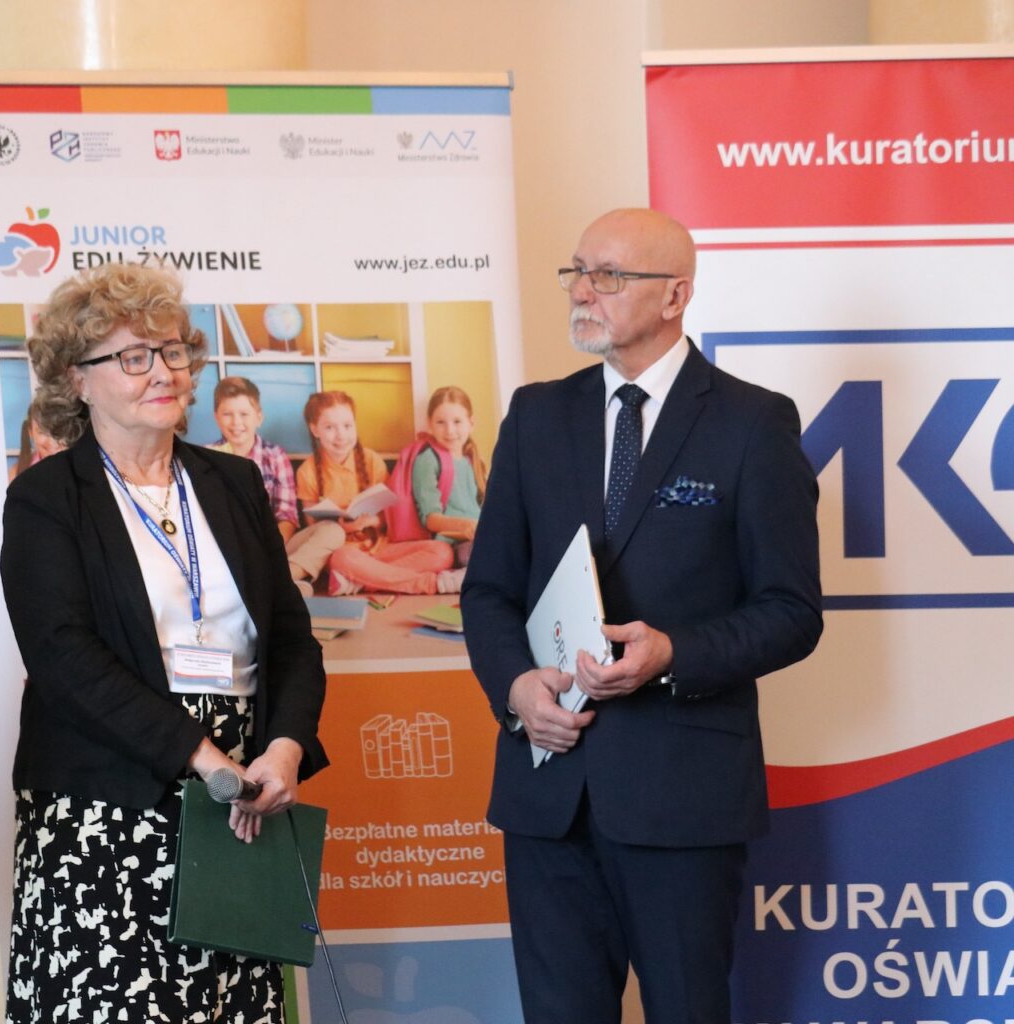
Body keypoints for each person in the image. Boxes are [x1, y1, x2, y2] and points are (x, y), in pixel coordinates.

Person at [462, 208, 823, 1023]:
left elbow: (792, 611)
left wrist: (673, 653)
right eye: (578, 271)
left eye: (610, 276)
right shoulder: (536, 416)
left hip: (683, 798)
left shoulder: (752, 423)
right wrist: (515, 689)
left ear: (675, 296)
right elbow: (487, 591)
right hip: (548, 794)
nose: (582, 291)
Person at [0, 263, 328, 1023]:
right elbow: (64, 660)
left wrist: (284, 749)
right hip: (109, 806)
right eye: (133, 356)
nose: (163, 372)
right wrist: (202, 759)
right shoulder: (45, 499)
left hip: (242, 802)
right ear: (77, 380)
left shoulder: (234, 483)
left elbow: (291, 641)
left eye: (173, 351)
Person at [296, 390, 457, 596]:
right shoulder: (307, 472)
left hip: (380, 548)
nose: (341, 435)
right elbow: (313, 530)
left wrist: (371, 521)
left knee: (442, 552)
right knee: (343, 559)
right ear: (315, 430)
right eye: (330, 427)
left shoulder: (371, 460)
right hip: (343, 554)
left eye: (347, 426)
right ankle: (426, 583)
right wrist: (346, 527)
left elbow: (389, 516)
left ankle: (362, 580)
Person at [208, 375, 342, 595]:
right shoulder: (207, 458)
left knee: (332, 531)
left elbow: (287, 516)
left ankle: (280, 580)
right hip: (228, 551)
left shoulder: (275, 456)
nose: (236, 422)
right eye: (227, 414)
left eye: (244, 414)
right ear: (216, 417)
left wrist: (266, 550)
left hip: (272, 547)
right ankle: (275, 586)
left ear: (258, 417)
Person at [407, 385, 488, 566]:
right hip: (454, 542)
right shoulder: (428, 459)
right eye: (440, 422)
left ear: (471, 423)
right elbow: (431, 520)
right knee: (476, 555)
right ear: (429, 424)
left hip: (480, 535)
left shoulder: (473, 459)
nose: (450, 430)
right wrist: (464, 525)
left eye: (457, 422)